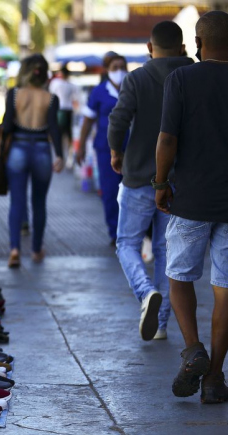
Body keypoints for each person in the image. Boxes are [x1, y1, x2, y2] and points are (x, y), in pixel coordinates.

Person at [155, 11, 228, 404]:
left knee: (179, 275)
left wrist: (160, 183)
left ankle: (193, 348)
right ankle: (215, 378)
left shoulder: (182, 79)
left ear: (198, 42)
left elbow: (167, 139)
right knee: (226, 288)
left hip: (191, 198)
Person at [108, 21, 192, 342]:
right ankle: (160, 325)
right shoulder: (193, 76)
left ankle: (145, 294)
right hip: (178, 180)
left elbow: (118, 120)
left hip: (139, 176)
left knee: (127, 244)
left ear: (149, 47)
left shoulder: (137, 78)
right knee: (163, 248)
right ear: (183, 48)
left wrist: (117, 152)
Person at [1, 54, 64, 268]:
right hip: (42, 151)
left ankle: (15, 249)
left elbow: (7, 127)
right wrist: (60, 156)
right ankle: (36, 249)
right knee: (39, 202)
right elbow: (54, 129)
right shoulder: (51, 98)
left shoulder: (14, 94)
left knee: (17, 201)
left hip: (17, 149)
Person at [77, 54, 128, 245]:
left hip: (131, 148)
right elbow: (88, 120)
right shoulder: (99, 92)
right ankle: (115, 232)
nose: (119, 71)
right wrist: (80, 146)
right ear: (107, 70)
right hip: (105, 148)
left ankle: (131, 230)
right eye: (115, 67)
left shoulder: (132, 88)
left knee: (132, 192)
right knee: (109, 191)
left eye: (122, 67)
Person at [49, 65, 78, 163]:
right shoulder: (71, 85)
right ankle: (67, 156)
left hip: (59, 110)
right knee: (68, 135)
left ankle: (60, 155)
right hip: (68, 110)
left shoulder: (56, 83)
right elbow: (75, 99)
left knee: (58, 134)